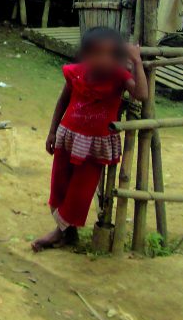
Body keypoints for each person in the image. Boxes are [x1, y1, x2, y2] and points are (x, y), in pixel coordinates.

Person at [32, 27, 148, 252]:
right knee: (59, 186)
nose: (102, 59)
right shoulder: (76, 73)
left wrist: (137, 62)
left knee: (80, 191)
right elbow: (62, 101)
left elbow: (142, 95)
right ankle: (68, 233)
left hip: (95, 146)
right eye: (95, 53)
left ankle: (59, 233)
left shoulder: (119, 76)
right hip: (67, 139)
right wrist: (52, 131)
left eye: (108, 54)